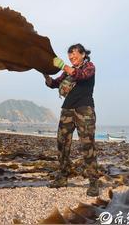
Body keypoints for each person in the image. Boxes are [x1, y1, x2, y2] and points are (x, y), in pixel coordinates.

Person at [44, 43, 99, 196]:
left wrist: (63, 65)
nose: (71, 58)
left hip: (85, 109)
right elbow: (54, 84)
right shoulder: (67, 72)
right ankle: (62, 177)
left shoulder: (90, 67)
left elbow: (80, 75)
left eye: (74, 55)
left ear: (83, 54)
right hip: (67, 109)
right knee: (62, 144)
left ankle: (93, 182)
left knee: (87, 146)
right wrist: (45, 75)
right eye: (70, 56)